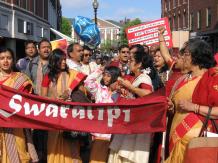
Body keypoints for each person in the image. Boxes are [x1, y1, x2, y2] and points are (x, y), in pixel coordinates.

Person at [165, 39, 218, 163]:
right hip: (175, 135)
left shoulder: (212, 77)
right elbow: (178, 108)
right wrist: (171, 108)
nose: (183, 57)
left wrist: (194, 107)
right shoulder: (182, 79)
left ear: (197, 56)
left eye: (186, 54)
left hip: (197, 140)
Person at [108, 51, 162, 163]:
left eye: (132, 61)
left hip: (137, 126)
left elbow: (148, 94)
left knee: (130, 157)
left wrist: (130, 87)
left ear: (139, 64)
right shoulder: (134, 78)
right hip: (129, 122)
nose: (129, 63)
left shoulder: (144, 78)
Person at [41, 48, 86, 163]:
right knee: (53, 147)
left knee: (72, 147)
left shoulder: (73, 75)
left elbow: (82, 94)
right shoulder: (47, 77)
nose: (63, 62)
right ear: (53, 61)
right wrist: (56, 100)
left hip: (70, 116)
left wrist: (70, 95)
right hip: (54, 116)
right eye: (60, 60)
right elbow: (42, 98)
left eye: (64, 59)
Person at [0, 47, 38, 163]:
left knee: (20, 154)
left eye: (9, 58)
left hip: (16, 124)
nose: (5, 61)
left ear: (13, 60)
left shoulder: (21, 79)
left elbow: (27, 101)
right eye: (2, 58)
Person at [84, 66, 121, 163]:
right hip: (99, 132)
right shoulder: (99, 89)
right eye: (104, 75)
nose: (105, 78)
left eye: (108, 76)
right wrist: (100, 70)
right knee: (96, 159)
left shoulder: (121, 92)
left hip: (115, 133)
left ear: (115, 77)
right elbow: (87, 82)